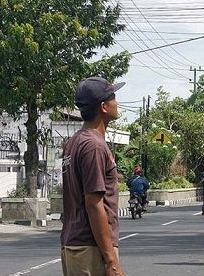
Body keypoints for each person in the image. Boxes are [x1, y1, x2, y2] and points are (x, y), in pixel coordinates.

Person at [61, 76, 126, 276]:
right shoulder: (94, 146)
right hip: (92, 248)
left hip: (75, 245)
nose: (117, 102)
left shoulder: (74, 142)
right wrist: (110, 259)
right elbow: (93, 203)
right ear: (103, 107)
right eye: (113, 97)